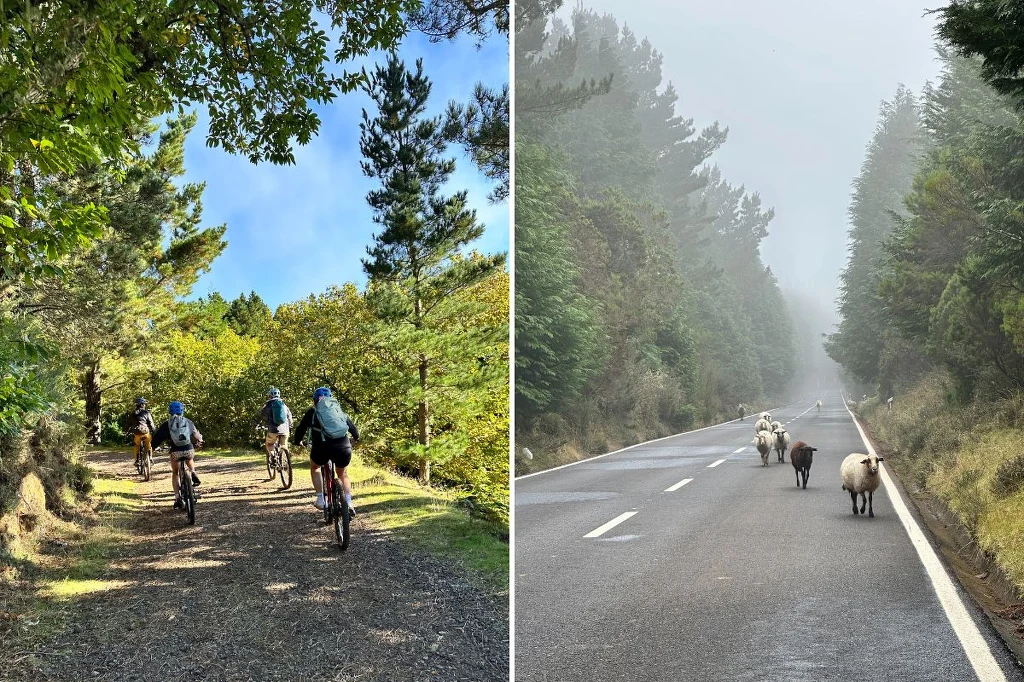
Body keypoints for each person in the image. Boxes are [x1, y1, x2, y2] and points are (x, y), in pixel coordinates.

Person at [292, 387, 359, 516]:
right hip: (343, 447)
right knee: (342, 473)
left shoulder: (312, 411)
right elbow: (354, 430)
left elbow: (301, 429)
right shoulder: (337, 410)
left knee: (315, 467)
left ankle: (321, 499)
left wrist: (297, 441)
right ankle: (349, 502)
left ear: (314, 401)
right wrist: (356, 438)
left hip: (321, 448)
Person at [150, 401, 204, 510]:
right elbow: (197, 435)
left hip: (175, 452)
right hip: (188, 450)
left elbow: (157, 439)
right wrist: (200, 441)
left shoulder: (167, 424)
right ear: (182, 410)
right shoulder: (188, 421)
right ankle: (193, 472)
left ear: (170, 411)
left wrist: (153, 447)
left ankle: (177, 497)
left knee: (175, 472)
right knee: (189, 457)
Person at [260, 387, 294, 457]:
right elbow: (289, 416)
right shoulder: (284, 405)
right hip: (285, 430)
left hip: (273, 430)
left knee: (269, 444)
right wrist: (290, 425)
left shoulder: (268, 405)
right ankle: (285, 460)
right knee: (284, 445)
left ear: (270, 396)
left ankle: (273, 457)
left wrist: (255, 425)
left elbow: (260, 416)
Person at [130, 397, 157, 465]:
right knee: (148, 445)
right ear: (142, 405)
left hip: (137, 433)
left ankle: (137, 460)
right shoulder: (146, 413)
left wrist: (125, 431)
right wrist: (154, 430)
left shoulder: (133, 413)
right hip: (145, 432)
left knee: (137, 445)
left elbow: (128, 423)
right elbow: (151, 423)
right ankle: (150, 458)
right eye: (144, 404)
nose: (145, 405)